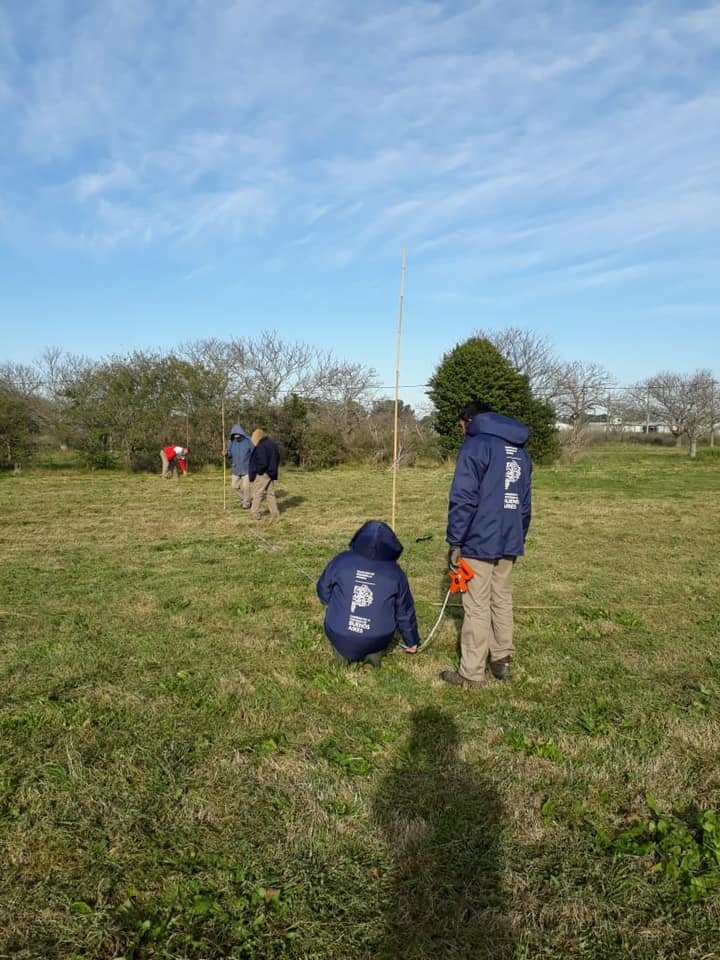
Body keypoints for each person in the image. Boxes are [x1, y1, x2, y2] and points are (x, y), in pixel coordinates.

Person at [441, 401, 532, 687]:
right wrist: (519, 534)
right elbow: (525, 503)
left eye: (461, 426)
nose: (462, 431)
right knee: (501, 597)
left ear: (469, 421)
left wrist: (456, 540)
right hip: (510, 536)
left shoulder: (475, 445)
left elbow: (463, 497)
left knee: (477, 604)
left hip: (479, 538)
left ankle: (471, 672)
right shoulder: (520, 451)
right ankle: (502, 659)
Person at [316, 520, 420, 667]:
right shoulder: (396, 573)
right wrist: (411, 640)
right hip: (377, 637)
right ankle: (372, 660)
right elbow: (405, 611)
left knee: (342, 639)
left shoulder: (341, 560)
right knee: (374, 644)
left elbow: (323, 587)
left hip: (338, 631)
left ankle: (342, 656)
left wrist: (328, 601)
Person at [248, 429, 280, 520]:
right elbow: (278, 457)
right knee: (270, 494)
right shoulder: (272, 444)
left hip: (263, 473)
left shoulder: (261, 446)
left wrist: (259, 471)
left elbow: (262, 462)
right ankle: (275, 514)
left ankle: (255, 513)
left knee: (258, 493)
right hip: (271, 472)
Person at [226, 425, 253, 509]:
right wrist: (226, 453)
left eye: (237, 432)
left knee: (246, 487)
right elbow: (229, 454)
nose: (235, 434)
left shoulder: (248, 441)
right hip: (236, 468)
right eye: (234, 433)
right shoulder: (231, 442)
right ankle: (244, 499)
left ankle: (246, 504)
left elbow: (254, 452)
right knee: (234, 486)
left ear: (241, 432)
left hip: (247, 468)